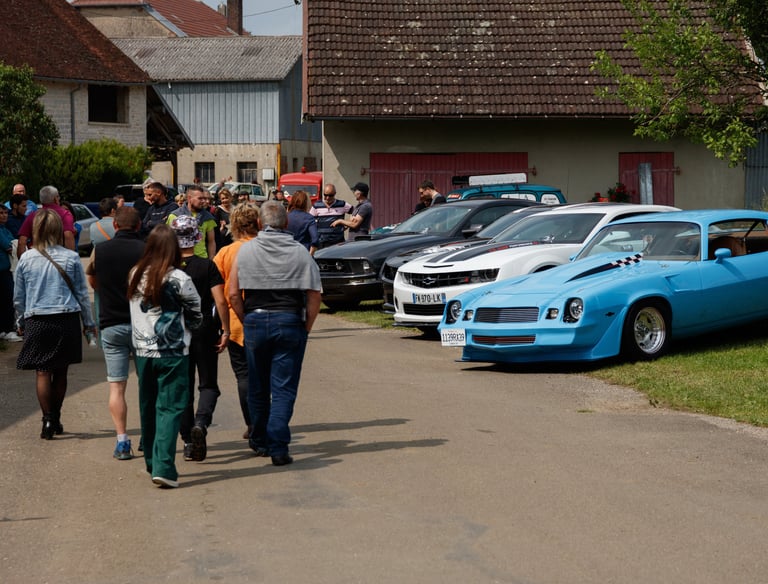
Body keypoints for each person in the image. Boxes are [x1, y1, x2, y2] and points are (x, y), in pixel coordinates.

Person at [229, 201, 322, 466]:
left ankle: (259, 441)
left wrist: (246, 319)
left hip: (256, 319)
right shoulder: (300, 252)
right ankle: (279, 446)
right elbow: (314, 294)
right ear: (287, 224)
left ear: (260, 223)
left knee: (257, 385)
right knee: (283, 388)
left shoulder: (245, 252)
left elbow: (234, 293)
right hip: (289, 319)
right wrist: (306, 326)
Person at [127, 224, 202, 488]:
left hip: (143, 352)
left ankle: (151, 461)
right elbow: (196, 315)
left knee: (148, 406)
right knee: (169, 408)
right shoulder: (179, 279)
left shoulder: (135, 274)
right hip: (172, 353)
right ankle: (164, 467)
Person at [13, 209, 96, 439]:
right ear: (59, 230)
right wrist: (88, 324)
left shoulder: (26, 259)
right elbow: (81, 293)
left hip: (37, 318)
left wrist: (20, 320)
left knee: (42, 371)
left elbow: (19, 296)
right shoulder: (71, 257)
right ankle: (56, 416)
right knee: (61, 372)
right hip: (66, 317)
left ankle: (47, 419)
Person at [85, 207, 145, 460]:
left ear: (116, 226)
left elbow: (91, 276)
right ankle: (148, 436)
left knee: (116, 387)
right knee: (147, 384)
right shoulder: (146, 250)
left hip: (111, 323)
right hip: (143, 325)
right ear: (139, 226)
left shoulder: (101, 250)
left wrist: (106, 292)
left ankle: (122, 440)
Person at [170, 215, 229, 463]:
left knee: (182, 386)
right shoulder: (207, 266)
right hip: (204, 325)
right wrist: (225, 329)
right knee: (208, 384)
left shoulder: (168, 268)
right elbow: (220, 300)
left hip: (175, 330)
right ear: (197, 237)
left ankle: (186, 440)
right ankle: (201, 424)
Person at [213, 203, 259, 439]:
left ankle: (251, 424)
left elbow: (218, 292)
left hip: (235, 321)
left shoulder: (226, 253)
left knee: (243, 376)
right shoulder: (264, 248)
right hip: (263, 315)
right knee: (264, 374)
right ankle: (264, 420)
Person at [17, 186, 76, 258]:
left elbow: (21, 241)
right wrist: (70, 259)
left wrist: (22, 260)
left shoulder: (33, 216)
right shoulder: (65, 214)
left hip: (36, 256)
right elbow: (68, 236)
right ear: (55, 199)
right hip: (58, 256)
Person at [167, 185, 217, 259]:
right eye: (200, 198)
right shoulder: (175, 216)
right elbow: (168, 240)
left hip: (201, 259)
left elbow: (211, 241)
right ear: (189, 198)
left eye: (204, 198)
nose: (203, 201)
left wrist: (211, 260)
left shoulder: (207, 217)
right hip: (180, 259)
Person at [310, 183, 352, 249]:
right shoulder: (316, 206)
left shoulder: (342, 204)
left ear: (335, 194)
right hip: (322, 243)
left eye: (330, 195)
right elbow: (310, 220)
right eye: (325, 195)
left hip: (338, 243)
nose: (327, 198)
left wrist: (347, 223)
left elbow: (356, 212)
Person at [0, 206, 20, 341]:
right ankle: (7, 330)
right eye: (1, 213)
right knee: (7, 299)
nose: (4, 215)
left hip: (6, 270)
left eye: (6, 213)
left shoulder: (5, 229)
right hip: (1, 271)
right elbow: (10, 247)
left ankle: (4, 328)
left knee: (6, 300)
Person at [286, 190, 319, 254]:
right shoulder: (309, 218)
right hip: (303, 252)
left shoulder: (285, 217)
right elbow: (315, 240)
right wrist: (310, 255)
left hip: (287, 253)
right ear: (305, 203)